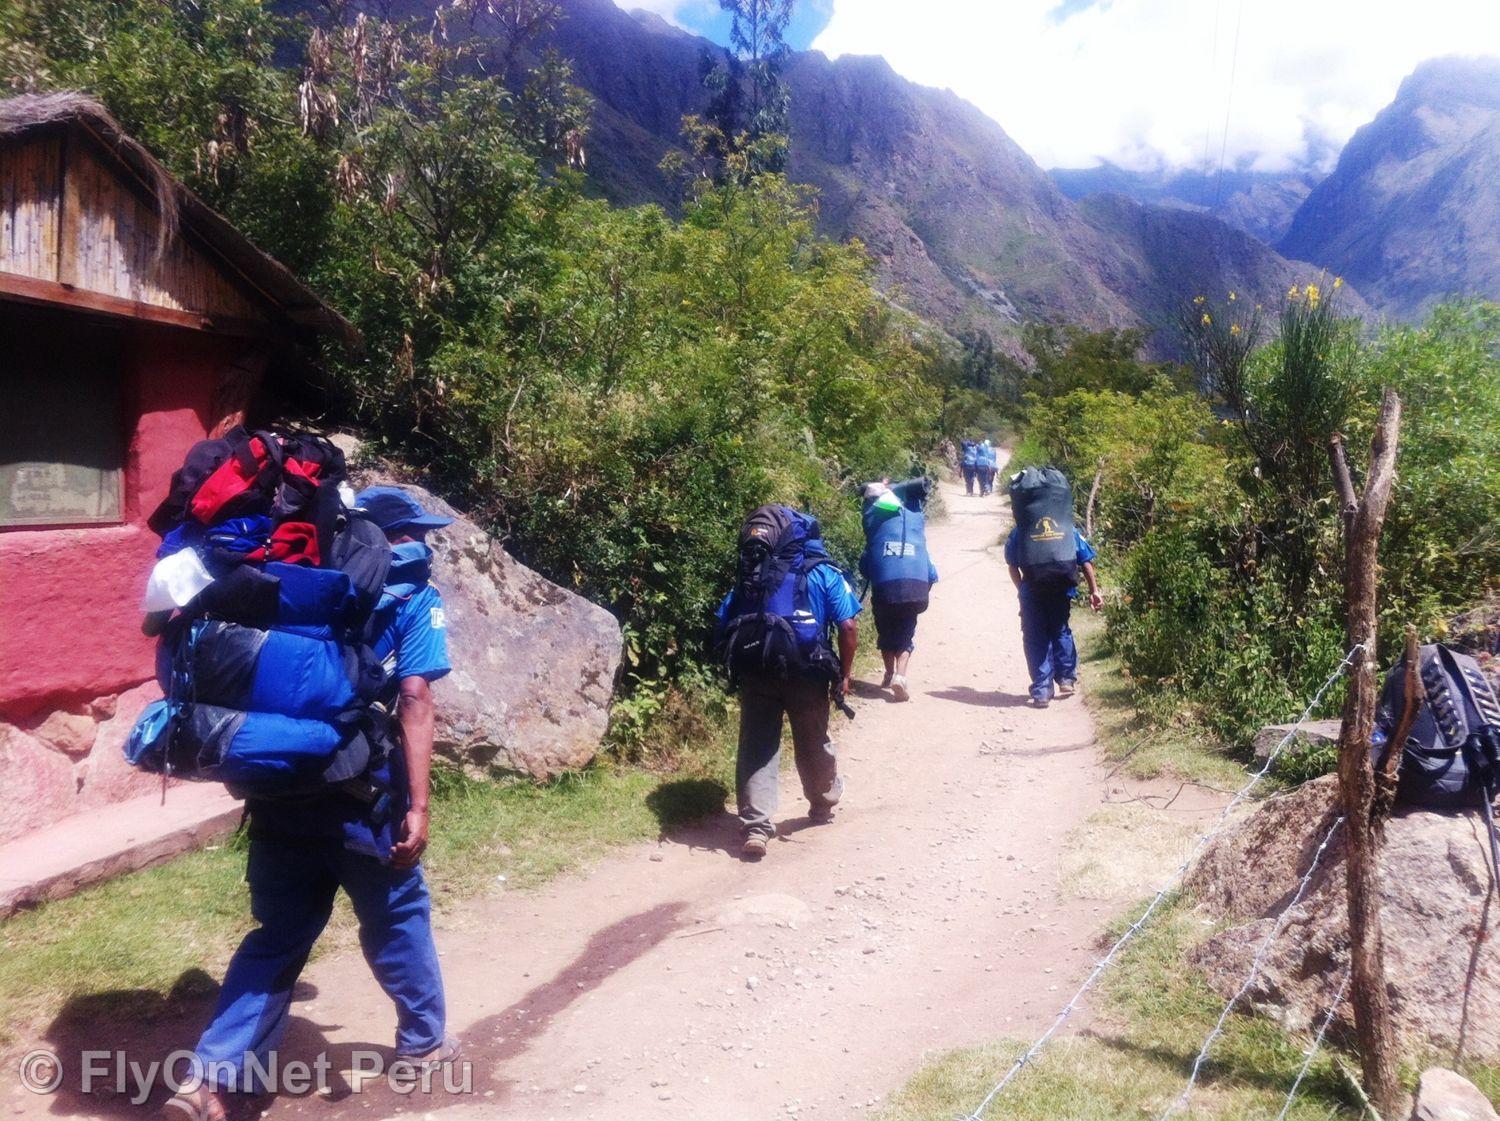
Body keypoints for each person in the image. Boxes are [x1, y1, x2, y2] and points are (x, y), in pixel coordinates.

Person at [167, 486, 457, 1121]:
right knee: (398, 915)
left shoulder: (284, 591)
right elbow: (414, 699)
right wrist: (421, 806)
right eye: (415, 533)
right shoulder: (414, 597)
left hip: (279, 790)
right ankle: (424, 1042)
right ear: (389, 538)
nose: (423, 546)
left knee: (277, 937)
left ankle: (210, 1079)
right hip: (364, 797)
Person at [715, 505, 860, 860]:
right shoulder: (824, 573)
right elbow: (848, 626)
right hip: (806, 672)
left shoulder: (752, 574)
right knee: (813, 741)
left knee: (757, 747)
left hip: (757, 669)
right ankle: (823, 802)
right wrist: (845, 674)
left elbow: (723, 619)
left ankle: (756, 827)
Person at [1005, 521, 1102, 707]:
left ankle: (1042, 690)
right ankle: (1066, 679)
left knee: (1035, 638)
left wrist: (1022, 591)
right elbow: (1086, 560)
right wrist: (1094, 591)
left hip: (1031, 592)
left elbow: (1012, 565)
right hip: (1061, 591)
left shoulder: (1021, 530)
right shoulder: (1066, 528)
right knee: (1061, 630)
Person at [858, 478, 938, 702]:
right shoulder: (914, 530)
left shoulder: (878, 532)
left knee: (886, 634)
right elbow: (931, 574)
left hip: (885, 592)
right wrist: (921, 592)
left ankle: (889, 673)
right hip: (915, 592)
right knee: (905, 636)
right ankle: (900, 677)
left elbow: (865, 569)